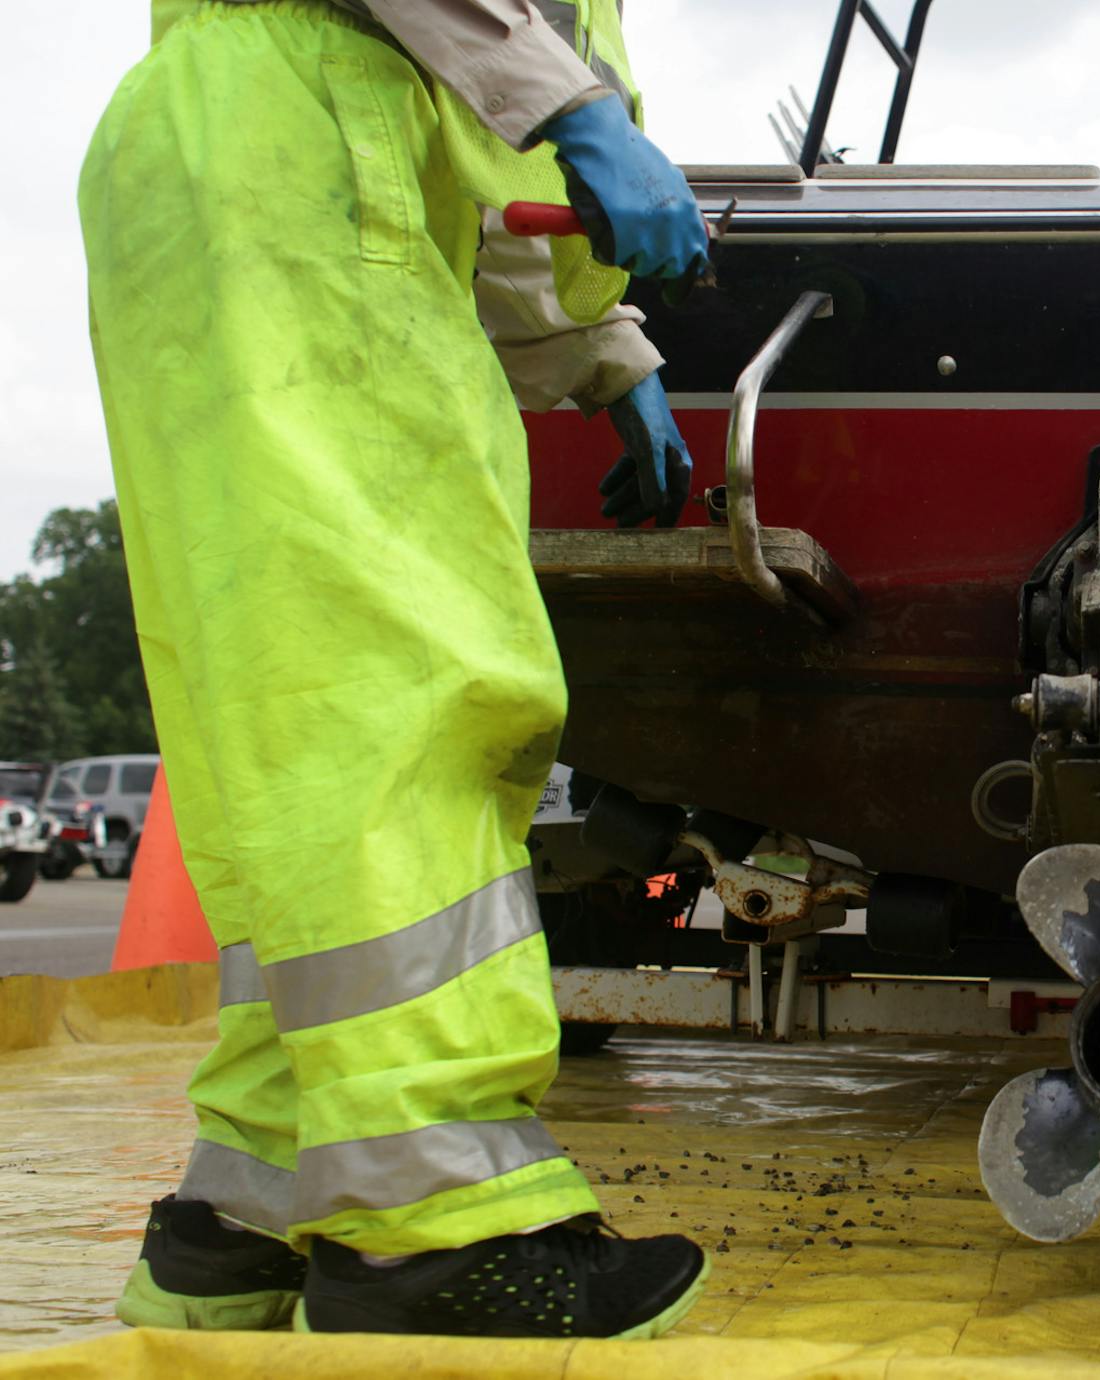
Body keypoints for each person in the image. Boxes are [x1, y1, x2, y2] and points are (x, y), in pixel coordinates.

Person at [83, 0, 709, 1338]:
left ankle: (242, 1217)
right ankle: (439, 1243)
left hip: (233, 159)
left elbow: (483, 181)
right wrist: (578, 109)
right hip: (317, 159)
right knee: (407, 705)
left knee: (293, 738)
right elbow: (492, 104)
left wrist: (603, 358)